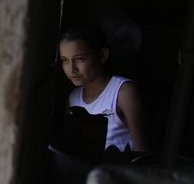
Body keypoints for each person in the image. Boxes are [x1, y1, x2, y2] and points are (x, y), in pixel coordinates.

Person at [59, 24, 147, 152]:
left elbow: (141, 149)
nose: (72, 69)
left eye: (80, 59)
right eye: (65, 60)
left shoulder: (123, 92)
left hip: (119, 169)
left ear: (102, 56)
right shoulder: (73, 98)